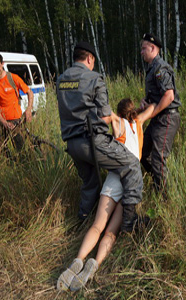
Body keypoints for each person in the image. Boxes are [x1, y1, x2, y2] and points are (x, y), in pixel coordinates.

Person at [57, 99, 155, 292]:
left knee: (97, 225)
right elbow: (152, 109)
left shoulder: (119, 123)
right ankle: (96, 263)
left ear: (120, 111)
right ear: (134, 111)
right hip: (132, 182)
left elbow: (106, 115)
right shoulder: (139, 122)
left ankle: (78, 260)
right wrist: (144, 108)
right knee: (111, 232)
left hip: (115, 177)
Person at [56, 41, 143, 232]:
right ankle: (129, 222)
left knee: (90, 182)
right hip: (93, 142)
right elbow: (105, 116)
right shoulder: (94, 78)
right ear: (89, 58)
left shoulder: (61, 79)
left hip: (72, 144)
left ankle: (82, 222)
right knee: (132, 165)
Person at [140, 33, 181, 194]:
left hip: (166, 118)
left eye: (144, 49)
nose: (141, 52)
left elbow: (169, 96)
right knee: (143, 153)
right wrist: (146, 102)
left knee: (158, 159)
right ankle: (159, 184)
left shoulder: (160, 68)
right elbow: (157, 95)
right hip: (158, 117)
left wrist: (150, 113)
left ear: (152, 48)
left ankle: (166, 198)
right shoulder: (151, 69)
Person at [0, 52, 34, 151]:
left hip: (16, 120)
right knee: (0, 151)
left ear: (2, 64)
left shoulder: (13, 78)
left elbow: (30, 93)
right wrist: (4, 122)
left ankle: (22, 165)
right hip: (1, 122)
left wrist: (29, 109)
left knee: (21, 149)